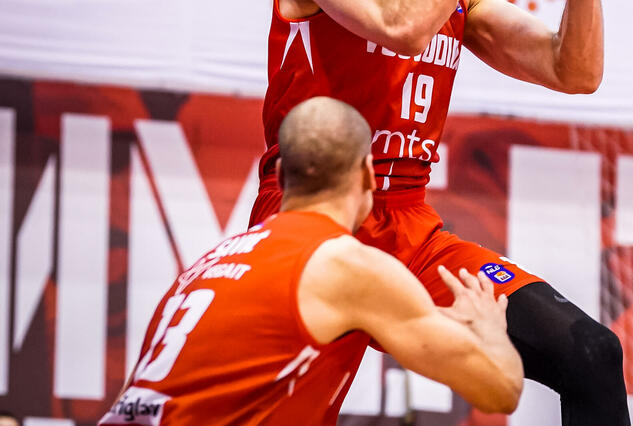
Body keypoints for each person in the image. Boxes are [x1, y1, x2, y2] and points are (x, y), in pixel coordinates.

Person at [252, 0, 627, 424]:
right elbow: (400, 22)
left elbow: (576, 70)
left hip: (409, 225)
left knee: (590, 352)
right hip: (310, 216)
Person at [101, 97, 523, 425]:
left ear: (281, 175)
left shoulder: (201, 268)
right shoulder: (346, 264)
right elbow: (499, 389)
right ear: (368, 177)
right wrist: (489, 328)